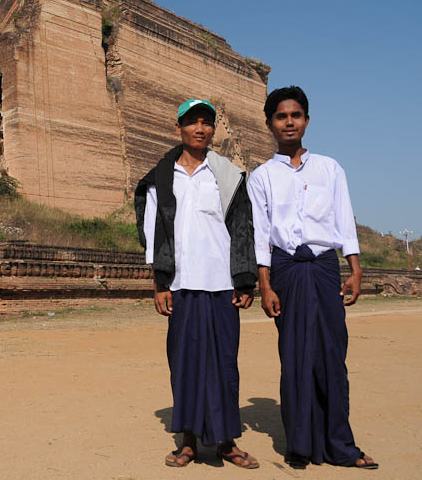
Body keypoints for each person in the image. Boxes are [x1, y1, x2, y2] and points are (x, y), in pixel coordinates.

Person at [246, 86, 378, 469]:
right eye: (281, 116)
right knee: (295, 357)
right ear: (270, 124)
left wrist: (354, 268)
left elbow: (343, 219)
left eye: (296, 115)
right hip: (286, 270)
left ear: (306, 120)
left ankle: (340, 445)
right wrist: (266, 284)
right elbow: (259, 234)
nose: (289, 122)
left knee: (333, 356)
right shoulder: (262, 177)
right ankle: (299, 445)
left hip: (323, 267)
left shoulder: (330, 168)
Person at [135, 98, 259, 468]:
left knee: (224, 363)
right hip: (182, 285)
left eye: (207, 123)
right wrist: (160, 283)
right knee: (184, 363)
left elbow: (242, 231)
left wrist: (244, 279)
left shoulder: (227, 175)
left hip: (221, 284)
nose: (200, 129)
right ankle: (188, 440)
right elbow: (154, 233)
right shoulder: (161, 177)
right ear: (179, 128)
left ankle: (226, 442)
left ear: (213, 131)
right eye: (193, 123)